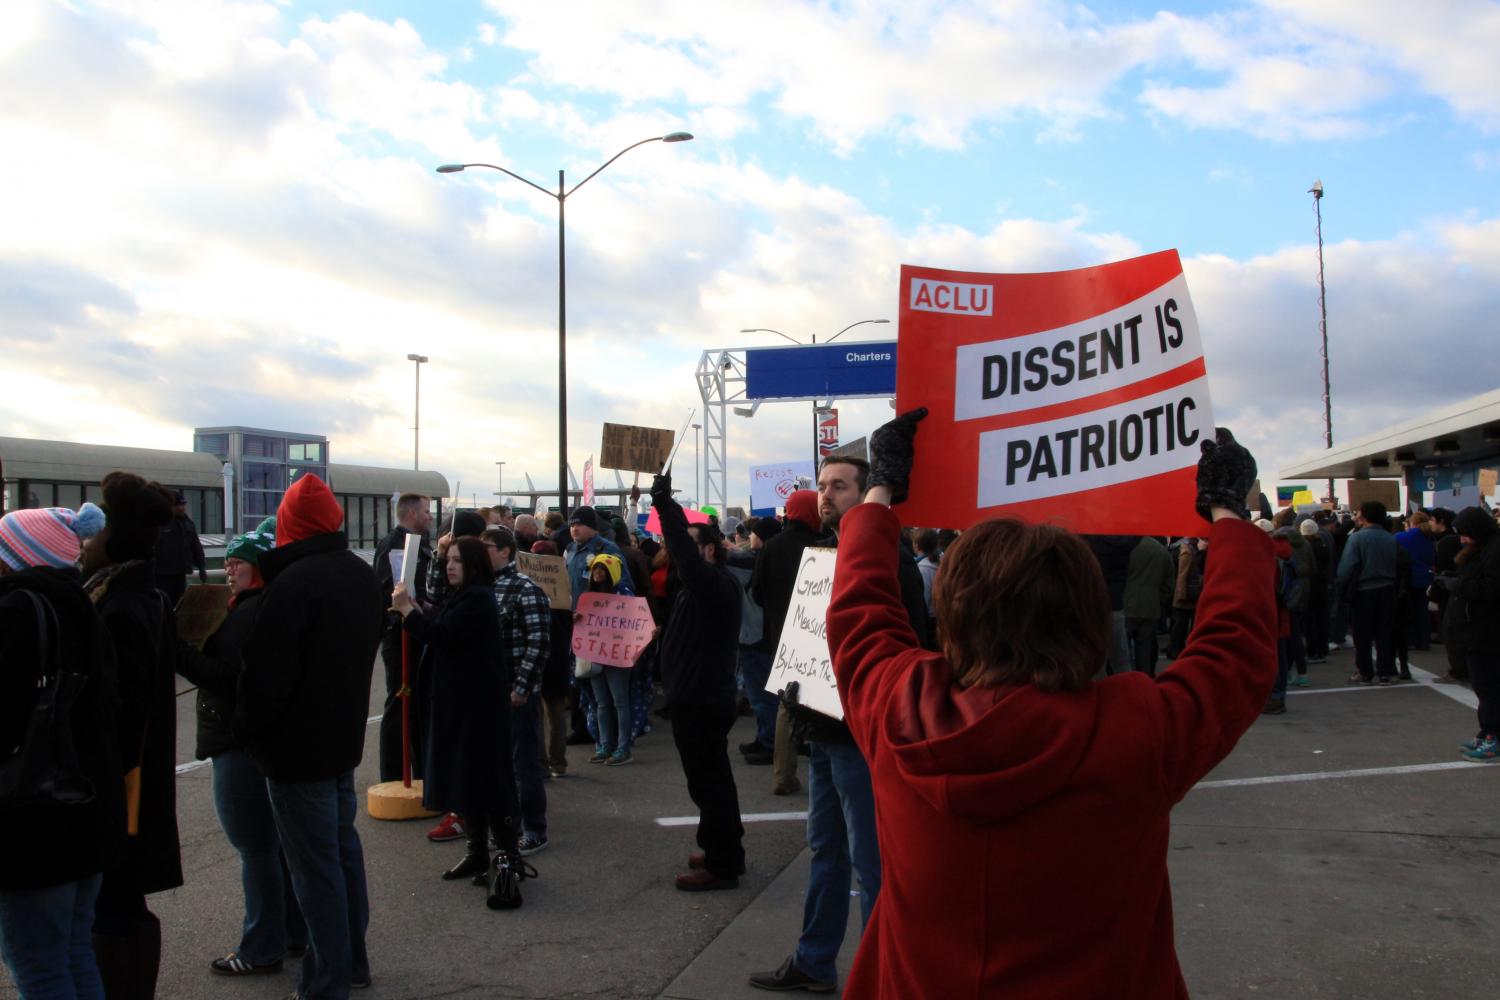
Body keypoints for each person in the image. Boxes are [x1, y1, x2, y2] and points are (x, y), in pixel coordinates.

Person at [823, 411, 1275, 998]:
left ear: (954, 616)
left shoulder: (898, 705)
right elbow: (1235, 648)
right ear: (1087, 615)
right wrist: (1227, 513)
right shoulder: (1136, 728)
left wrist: (881, 489)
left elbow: (859, 610)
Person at [750, 456, 924, 994]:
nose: (826, 495)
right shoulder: (818, 554)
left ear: (869, 493)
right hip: (821, 727)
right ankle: (814, 960)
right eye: (822, 486)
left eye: (840, 486)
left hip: (860, 734)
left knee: (871, 861)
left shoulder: (889, 562)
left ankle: (883, 976)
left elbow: (909, 643)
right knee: (826, 849)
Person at [236, 473, 382, 998]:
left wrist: (250, 733)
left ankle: (326, 981)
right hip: (341, 740)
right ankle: (352, 961)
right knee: (341, 855)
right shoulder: (358, 575)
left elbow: (266, 681)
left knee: (314, 870)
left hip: (298, 750)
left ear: (288, 524)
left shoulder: (293, 584)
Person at [0, 504, 124, 999]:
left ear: (16, 556)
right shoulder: (84, 609)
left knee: (37, 963)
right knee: (72, 951)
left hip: (33, 819)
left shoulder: (16, 613)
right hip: (85, 810)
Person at [176, 517, 308, 977]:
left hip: (236, 743)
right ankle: (293, 933)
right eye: (227, 563)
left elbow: (229, 680)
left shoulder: (247, 615)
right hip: (255, 742)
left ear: (260, 569)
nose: (229, 571)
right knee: (274, 849)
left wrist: (183, 654)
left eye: (238, 564)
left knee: (255, 850)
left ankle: (260, 947)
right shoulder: (266, 607)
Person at [80, 472, 183, 1000]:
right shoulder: (140, 598)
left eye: (95, 535)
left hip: (125, 784)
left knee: (115, 903)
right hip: (134, 779)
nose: (86, 545)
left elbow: (118, 709)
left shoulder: (121, 605)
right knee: (122, 901)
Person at [393, 537, 534, 907]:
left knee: (486, 781)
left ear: (473, 564)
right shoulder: (466, 595)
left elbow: (441, 635)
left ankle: (506, 855)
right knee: (466, 780)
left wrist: (408, 611)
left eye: (456, 560)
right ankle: (476, 853)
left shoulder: (478, 598)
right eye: (447, 559)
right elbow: (440, 621)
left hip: (478, 710)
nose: (449, 566)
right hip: (462, 705)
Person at [648, 473, 746, 891]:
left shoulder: (714, 583)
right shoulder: (698, 586)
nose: (679, 552)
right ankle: (722, 848)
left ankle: (723, 864)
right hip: (695, 696)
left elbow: (685, 559)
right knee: (709, 782)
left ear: (708, 548)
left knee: (710, 784)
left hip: (704, 699)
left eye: (689, 544)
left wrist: (664, 505)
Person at [482, 527, 553, 853]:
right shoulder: (482, 586)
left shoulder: (526, 589)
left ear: (506, 551)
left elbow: (538, 643)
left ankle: (534, 829)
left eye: (488, 546)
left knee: (524, 765)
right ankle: (508, 825)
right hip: (492, 693)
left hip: (517, 693)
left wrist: (522, 687)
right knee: (500, 765)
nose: (482, 551)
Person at [750, 491, 823, 797]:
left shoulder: (772, 547)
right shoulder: (822, 545)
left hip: (782, 635)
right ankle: (824, 771)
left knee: (786, 705)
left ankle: (783, 775)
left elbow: (756, 594)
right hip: (818, 636)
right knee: (821, 704)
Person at [373, 493, 433, 784]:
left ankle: (423, 773)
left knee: (418, 705)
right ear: (411, 514)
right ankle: (394, 777)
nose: (431, 517)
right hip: (399, 634)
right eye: (426, 511)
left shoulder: (422, 545)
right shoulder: (393, 546)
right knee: (400, 701)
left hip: (417, 630)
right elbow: (387, 591)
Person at [1446, 508, 1500, 761]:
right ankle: (1487, 732)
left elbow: (1491, 588)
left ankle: (1493, 737)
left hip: (1489, 631)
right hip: (1478, 630)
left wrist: (1457, 585)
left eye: (1465, 534)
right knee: (1483, 685)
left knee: (1489, 687)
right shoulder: (1483, 550)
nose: (1462, 539)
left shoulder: (1494, 552)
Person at [578, 552, 638, 766]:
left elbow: (634, 624)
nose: (598, 573)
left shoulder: (624, 594)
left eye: (602, 569)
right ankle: (605, 745)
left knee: (620, 702)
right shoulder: (588, 596)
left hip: (617, 656)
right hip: (595, 655)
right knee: (602, 703)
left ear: (612, 572)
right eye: (595, 568)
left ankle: (623, 747)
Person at [1337, 500, 1400, 685]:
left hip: (1363, 591)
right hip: (1388, 588)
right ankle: (1385, 672)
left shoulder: (1356, 538)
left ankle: (1364, 672)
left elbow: (1346, 567)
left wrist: (1340, 584)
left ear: (1363, 516)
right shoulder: (1391, 538)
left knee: (1362, 634)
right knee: (1385, 632)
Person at [1123, 536, 1175, 677]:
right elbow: (1169, 585)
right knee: (1144, 651)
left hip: (1125, 606)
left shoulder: (1126, 547)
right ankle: (1144, 682)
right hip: (1150, 608)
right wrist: (1158, 600)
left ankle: (1125, 681)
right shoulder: (1162, 551)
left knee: (1122, 653)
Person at [152, 490, 206, 608]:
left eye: (183, 505)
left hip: (180, 573)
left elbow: (195, 546)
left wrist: (201, 566)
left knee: (179, 606)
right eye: (179, 505)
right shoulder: (158, 522)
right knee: (163, 606)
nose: (182, 508)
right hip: (161, 575)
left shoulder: (188, 523)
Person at [1395, 511, 1436, 651]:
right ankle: (1424, 640)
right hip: (1426, 577)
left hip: (1409, 577)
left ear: (1412, 523)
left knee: (1409, 610)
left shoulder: (1402, 537)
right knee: (1423, 611)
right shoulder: (1430, 538)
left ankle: (1411, 639)